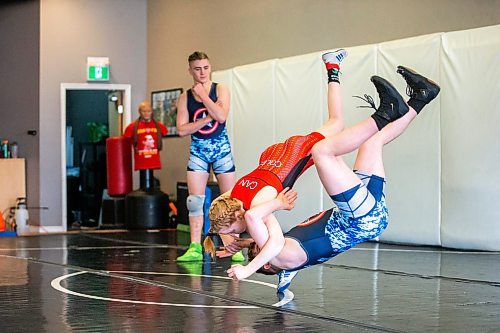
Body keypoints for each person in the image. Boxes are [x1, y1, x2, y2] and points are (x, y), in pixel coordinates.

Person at [226, 66, 440, 290]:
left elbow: (268, 243)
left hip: (365, 213)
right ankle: (386, 112)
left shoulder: (285, 254)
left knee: (372, 142)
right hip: (359, 218)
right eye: (258, 249)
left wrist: (243, 242)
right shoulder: (283, 258)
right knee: (322, 152)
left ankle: (421, 97)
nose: (260, 242)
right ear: (268, 264)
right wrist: (247, 270)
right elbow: (269, 241)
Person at [204, 49, 349, 263]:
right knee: (333, 137)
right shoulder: (233, 196)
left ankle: (332, 68)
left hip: (296, 153)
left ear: (238, 216)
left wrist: (279, 204)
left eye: (233, 230)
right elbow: (217, 205)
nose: (236, 234)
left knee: (337, 122)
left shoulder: (257, 207)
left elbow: (276, 244)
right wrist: (229, 238)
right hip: (273, 155)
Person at [176, 51, 241, 262]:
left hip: (221, 150)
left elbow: (221, 116)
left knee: (230, 200)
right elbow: (181, 129)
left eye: (205, 68)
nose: (202, 72)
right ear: (190, 71)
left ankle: (234, 246)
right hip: (198, 152)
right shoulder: (185, 97)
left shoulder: (220, 89)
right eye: (197, 68)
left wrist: (204, 96)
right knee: (194, 202)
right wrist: (205, 119)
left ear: (210, 68)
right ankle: (195, 246)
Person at [123, 101, 168, 171]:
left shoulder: (159, 126)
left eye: (148, 111)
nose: (146, 113)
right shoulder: (132, 127)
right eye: (144, 111)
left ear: (151, 112)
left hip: (154, 160)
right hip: (140, 161)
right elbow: (126, 137)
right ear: (139, 112)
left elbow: (165, 132)